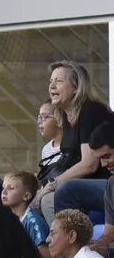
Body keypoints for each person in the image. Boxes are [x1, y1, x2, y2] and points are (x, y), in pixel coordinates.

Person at [37, 60, 114, 220]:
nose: (52, 86)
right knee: (27, 200)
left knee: (50, 199)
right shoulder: (66, 115)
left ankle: (68, 243)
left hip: (105, 181)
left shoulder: (90, 110)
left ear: (76, 87)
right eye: (51, 81)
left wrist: (53, 184)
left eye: (59, 81)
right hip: (82, 183)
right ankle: (44, 245)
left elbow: (89, 164)